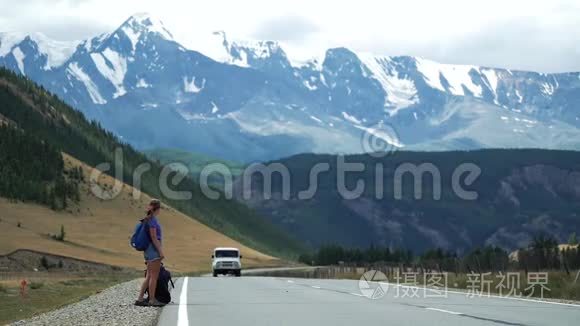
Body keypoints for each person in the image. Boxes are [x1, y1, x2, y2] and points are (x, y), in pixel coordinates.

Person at [135, 199, 166, 307]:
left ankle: (140, 299)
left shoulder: (147, 219)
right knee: (154, 276)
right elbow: (154, 237)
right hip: (153, 251)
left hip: (148, 251)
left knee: (148, 276)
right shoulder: (152, 221)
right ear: (157, 209)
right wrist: (161, 252)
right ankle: (152, 300)